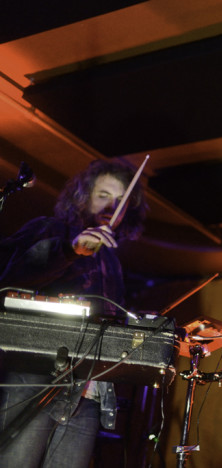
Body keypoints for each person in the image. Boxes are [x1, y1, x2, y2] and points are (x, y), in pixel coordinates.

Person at [0, 160, 148, 467]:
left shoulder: (112, 260)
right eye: (104, 194)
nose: (112, 207)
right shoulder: (48, 228)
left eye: (121, 201)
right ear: (82, 195)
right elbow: (11, 278)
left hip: (88, 391)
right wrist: (69, 250)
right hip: (36, 378)